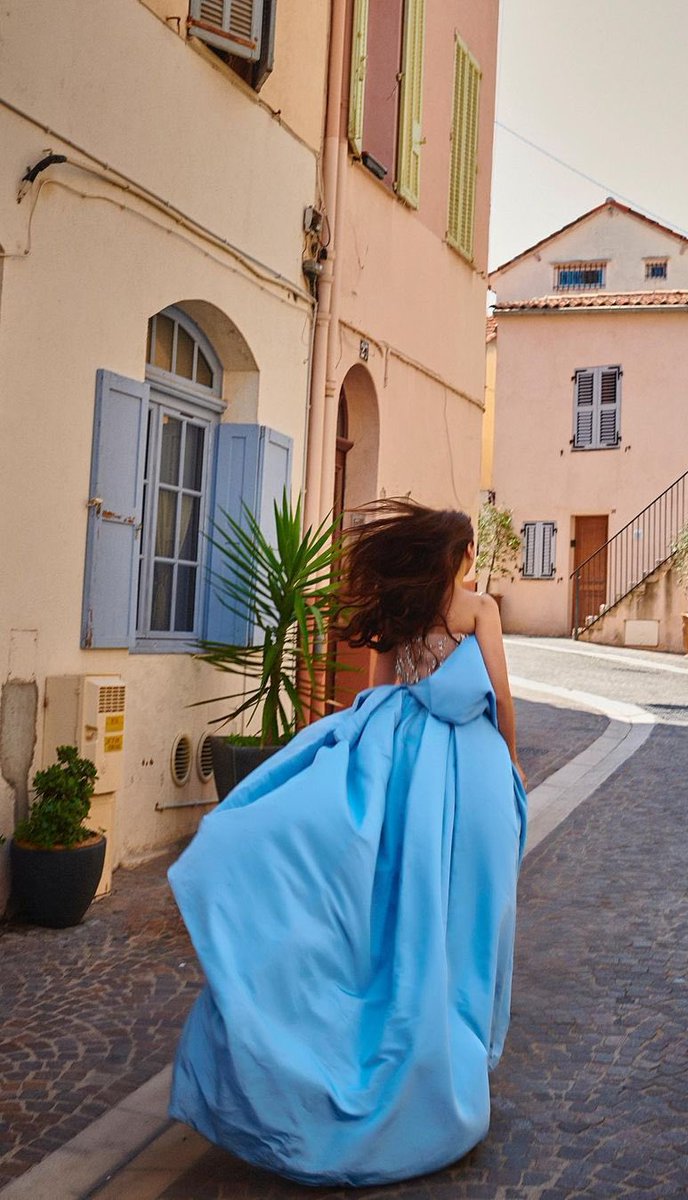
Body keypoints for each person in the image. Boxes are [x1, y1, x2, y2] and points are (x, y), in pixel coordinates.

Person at [167, 500, 527, 1187]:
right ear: (460, 556)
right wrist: (512, 760)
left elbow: (378, 690)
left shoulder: (402, 608)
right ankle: (448, 1057)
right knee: (467, 915)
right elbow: (503, 699)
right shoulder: (478, 609)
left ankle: (338, 1041)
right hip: (469, 770)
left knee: (378, 905)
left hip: (396, 757)